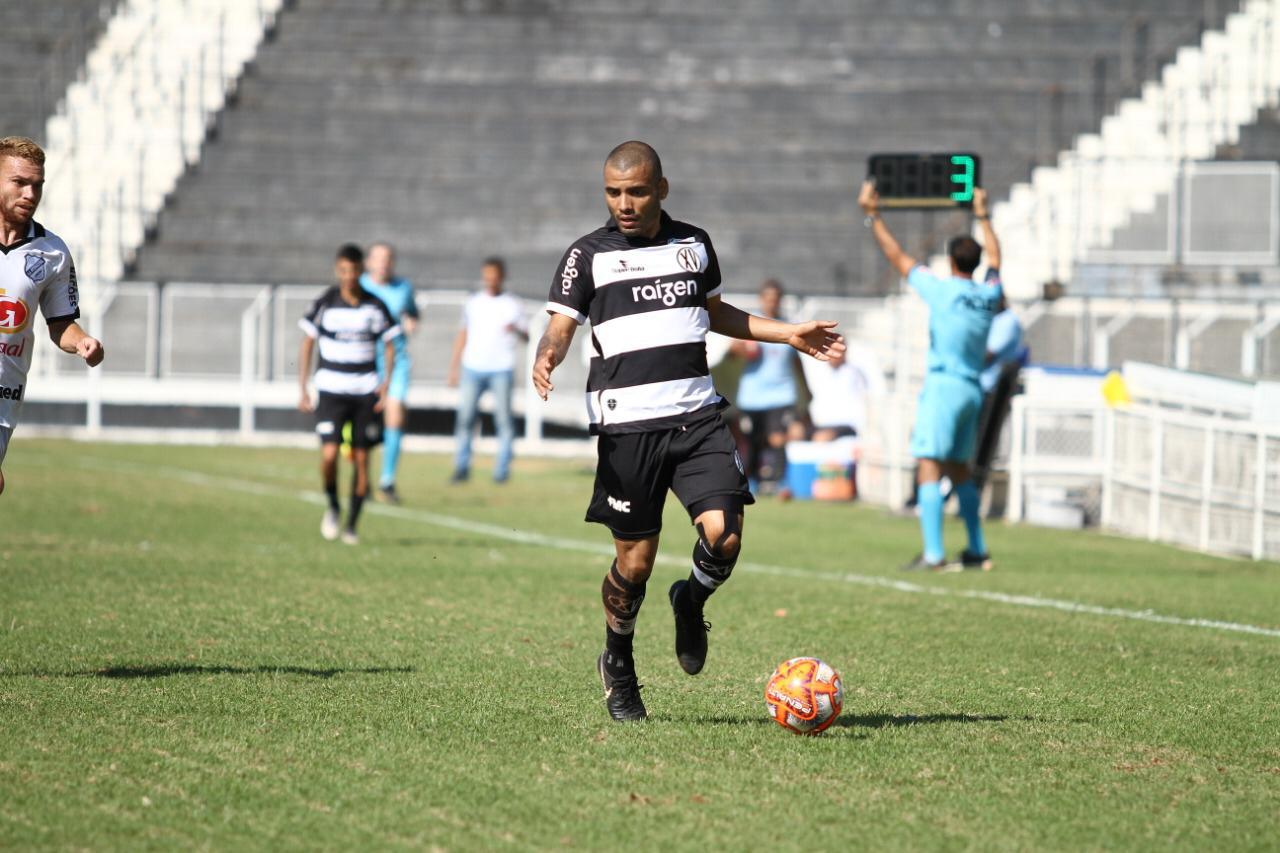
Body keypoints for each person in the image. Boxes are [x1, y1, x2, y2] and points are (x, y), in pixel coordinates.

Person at [533, 141, 845, 722]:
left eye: (637, 191)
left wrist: (787, 333)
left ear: (662, 189)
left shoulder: (694, 244)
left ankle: (691, 598)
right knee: (635, 565)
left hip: (698, 418)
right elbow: (560, 325)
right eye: (614, 192)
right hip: (628, 428)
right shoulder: (587, 255)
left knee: (725, 535)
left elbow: (715, 312)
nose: (624, 203)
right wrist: (547, 355)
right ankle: (618, 664)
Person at [859, 181, 1001, 572]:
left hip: (944, 386)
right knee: (959, 470)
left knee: (928, 464)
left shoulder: (942, 291)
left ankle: (935, 554)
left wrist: (873, 215)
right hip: (973, 388)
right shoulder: (988, 296)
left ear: (952, 262)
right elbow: (998, 261)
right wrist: (984, 216)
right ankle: (976, 548)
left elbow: (897, 256)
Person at [0, 136, 105, 497]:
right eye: (18, 182)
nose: (30, 193)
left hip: (4, 392)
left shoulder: (52, 252)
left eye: (37, 185)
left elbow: (60, 324)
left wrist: (82, 342)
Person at [298, 244, 399, 545]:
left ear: (360, 271)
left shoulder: (375, 305)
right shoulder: (326, 303)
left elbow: (391, 343)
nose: (349, 276)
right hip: (331, 390)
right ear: (337, 271)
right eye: (344, 271)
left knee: (360, 460)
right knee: (329, 456)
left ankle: (352, 525)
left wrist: (386, 383)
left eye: (354, 271)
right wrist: (303, 386)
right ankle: (332, 507)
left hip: (365, 391)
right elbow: (307, 343)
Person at [447, 257, 528, 483]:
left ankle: (501, 471)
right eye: (487, 275)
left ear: (501, 276)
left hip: (501, 368)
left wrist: (517, 330)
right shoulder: (473, 302)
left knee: (503, 421)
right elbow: (463, 334)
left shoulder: (513, 303)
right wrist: (454, 367)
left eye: (495, 275)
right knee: (465, 419)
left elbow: (527, 335)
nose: (491, 279)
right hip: (472, 367)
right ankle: (461, 468)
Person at [359, 242, 418, 504]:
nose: (383, 263)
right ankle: (362, 479)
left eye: (388, 258)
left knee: (395, 414)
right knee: (363, 423)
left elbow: (413, 313)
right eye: (378, 258)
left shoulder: (403, 288)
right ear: (369, 262)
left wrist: (411, 323)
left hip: (397, 362)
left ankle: (387, 481)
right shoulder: (359, 285)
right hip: (364, 361)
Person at [729, 279, 800, 493]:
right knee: (751, 441)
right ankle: (751, 481)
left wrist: (807, 391)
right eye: (768, 298)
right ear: (762, 300)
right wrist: (743, 350)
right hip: (752, 396)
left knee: (777, 437)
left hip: (781, 394)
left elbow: (797, 363)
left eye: (776, 299)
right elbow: (732, 351)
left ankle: (781, 483)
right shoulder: (752, 324)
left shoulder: (788, 327)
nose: (772, 303)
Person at [972, 292, 1025, 493]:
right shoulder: (991, 319)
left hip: (994, 392)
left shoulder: (1008, 322)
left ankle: (973, 494)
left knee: (982, 445)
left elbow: (987, 354)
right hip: (979, 388)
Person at [800, 342, 886, 441]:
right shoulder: (817, 369)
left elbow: (877, 390)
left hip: (849, 428)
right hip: (822, 426)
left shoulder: (855, 370)